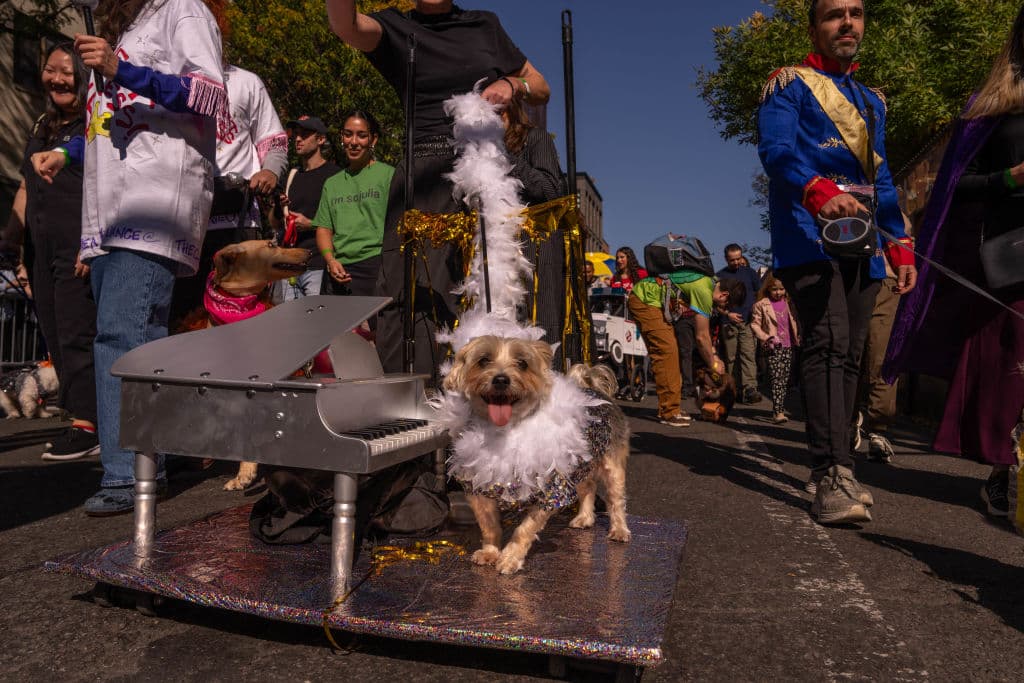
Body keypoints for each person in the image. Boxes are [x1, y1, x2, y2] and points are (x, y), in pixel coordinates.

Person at [32, 0, 226, 515]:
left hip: (153, 204)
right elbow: (110, 122)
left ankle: (128, 474)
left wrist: (124, 69)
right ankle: (146, 461)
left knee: (124, 334)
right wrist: (68, 153)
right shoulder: (127, 27)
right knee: (123, 336)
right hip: (110, 212)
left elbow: (211, 95)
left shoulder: (181, 9)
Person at [326, 0, 551, 381]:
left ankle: (478, 404)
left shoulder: (484, 25)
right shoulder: (396, 27)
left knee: (482, 290)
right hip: (421, 173)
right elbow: (346, 26)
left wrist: (513, 83)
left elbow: (540, 86)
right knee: (406, 293)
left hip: (483, 173)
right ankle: (408, 407)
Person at [758, 0, 915, 524]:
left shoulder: (871, 100)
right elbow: (776, 153)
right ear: (815, 27)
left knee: (850, 352)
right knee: (826, 344)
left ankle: (838, 464)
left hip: (865, 236)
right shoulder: (789, 85)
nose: (847, 23)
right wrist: (817, 189)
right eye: (833, 14)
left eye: (856, 13)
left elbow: (883, 176)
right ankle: (830, 474)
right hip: (809, 231)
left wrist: (900, 241)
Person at [885, 6, 1024, 518]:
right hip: (1013, 265)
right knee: (1015, 374)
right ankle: (1005, 476)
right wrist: (1010, 180)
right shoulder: (993, 109)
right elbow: (953, 189)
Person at [2, 43, 99, 460]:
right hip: (41, 245)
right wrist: (12, 241)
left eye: (66, 72)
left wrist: (92, 242)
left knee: (78, 332)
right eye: (49, 70)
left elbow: (104, 186)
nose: (56, 79)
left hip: (77, 242)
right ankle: (78, 414)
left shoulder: (94, 125)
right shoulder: (42, 124)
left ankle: (89, 423)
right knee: (55, 333)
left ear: (82, 78)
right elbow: (27, 184)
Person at [169, 62, 288, 328]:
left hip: (239, 221)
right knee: (188, 317)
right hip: (185, 223)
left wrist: (270, 172)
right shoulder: (169, 80)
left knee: (245, 316)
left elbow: (274, 140)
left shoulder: (247, 82)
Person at [629, 271, 743, 426]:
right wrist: (713, 365)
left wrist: (713, 355)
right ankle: (669, 412)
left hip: (650, 300)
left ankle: (670, 408)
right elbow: (701, 336)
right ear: (724, 295)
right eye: (727, 305)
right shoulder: (704, 291)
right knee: (667, 352)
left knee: (669, 353)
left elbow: (704, 334)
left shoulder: (708, 283)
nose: (724, 309)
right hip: (646, 299)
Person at [854, 211, 915, 463]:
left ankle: (878, 430)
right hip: (852, 282)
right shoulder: (843, 196)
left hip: (889, 285)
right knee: (852, 355)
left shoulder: (894, 211)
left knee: (882, 356)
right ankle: (849, 420)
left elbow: (906, 240)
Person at [504, 95, 566, 344]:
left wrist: (504, 157)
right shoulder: (473, 151)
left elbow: (550, 189)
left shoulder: (535, 138)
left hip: (532, 252)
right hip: (492, 255)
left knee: (538, 335)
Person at [314, 109, 394, 298]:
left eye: (362, 136)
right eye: (348, 134)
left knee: (376, 328)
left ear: (373, 140)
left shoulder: (389, 175)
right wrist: (330, 260)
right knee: (335, 327)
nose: (354, 142)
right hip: (339, 269)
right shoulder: (332, 183)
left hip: (377, 266)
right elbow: (324, 228)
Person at [271, 116, 340, 303]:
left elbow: (342, 222)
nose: (298, 139)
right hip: (289, 266)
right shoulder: (291, 176)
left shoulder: (336, 176)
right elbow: (276, 223)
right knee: (291, 328)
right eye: (296, 135)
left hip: (318, 264)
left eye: (305, 135)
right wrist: (279, 207)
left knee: (318, 327)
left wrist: (311, 224)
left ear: (321, 139)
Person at [750, 275, 800, 424]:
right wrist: (766, 337)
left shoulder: (789, 303)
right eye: (774, 289)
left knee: (784, 380)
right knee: (776, 378)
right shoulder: (761, 305)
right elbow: (754, 325)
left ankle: (779, 408)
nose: (778, 292)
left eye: (781, 289)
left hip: (789, 345)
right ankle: (778, 412)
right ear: (768, 289)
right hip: (773, 346)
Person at [716, 243, 762, 404]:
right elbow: (714, 303)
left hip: (748, 322)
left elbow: (760, 293)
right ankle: (733, 389)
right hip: (728, 322)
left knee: (748, 355)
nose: (736, 262)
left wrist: (756, 312)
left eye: (738, 258)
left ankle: (750, 388)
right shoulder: (719, 276)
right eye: (732, 260)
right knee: (731, 358)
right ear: (726, 259)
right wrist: (728, 314)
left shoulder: (750, 273)